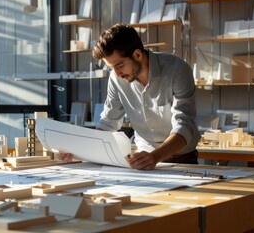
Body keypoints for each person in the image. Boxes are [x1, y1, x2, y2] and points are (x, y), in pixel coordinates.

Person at [57, 23, 201, 170]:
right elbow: (107, 123)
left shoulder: (177, 70)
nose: (117, 74)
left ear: (137, 55)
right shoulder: (116, 78)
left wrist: (155, 156)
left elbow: (184, 126)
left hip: (183, 161)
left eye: (119, 65)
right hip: (141, 162)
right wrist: (77, 150)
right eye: (112, 68)